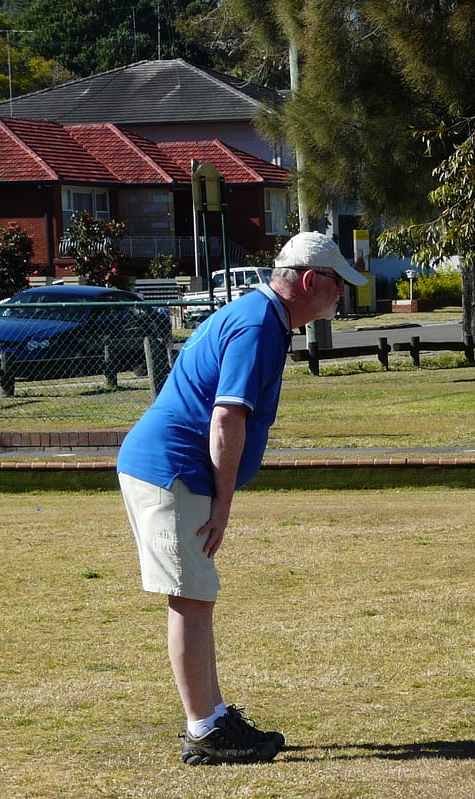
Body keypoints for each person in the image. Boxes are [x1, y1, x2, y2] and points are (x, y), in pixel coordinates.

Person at [117, 232, 368, 765]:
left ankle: (213, 716)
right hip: (173, 470)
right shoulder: (258, 326)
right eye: (338, 284)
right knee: (189, 595)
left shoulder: (262, 319)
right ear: (308, 281)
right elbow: (227, 418)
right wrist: (224, 503)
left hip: (172, 469)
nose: (341, 295)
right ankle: (205, 730)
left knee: (197, 594)